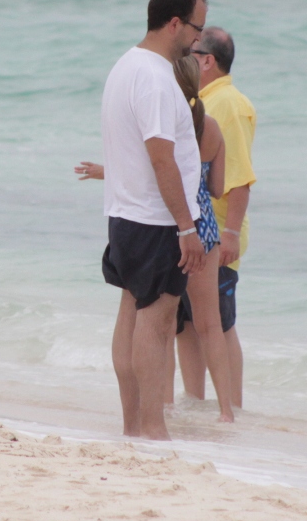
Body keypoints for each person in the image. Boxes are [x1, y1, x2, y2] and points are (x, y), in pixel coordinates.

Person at [74, 52, 235, 423]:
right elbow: (217, 186)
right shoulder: (210, 126)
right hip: (203, 225)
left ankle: (161, 404)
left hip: (168, 220)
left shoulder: (168, 118)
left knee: (161, 321)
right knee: (208, 324)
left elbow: (153, 167)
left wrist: (107, 171)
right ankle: (226, 411)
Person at [97, 0, 209, 440]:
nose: (198, 41)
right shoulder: (158, 78)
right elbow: (162, 157)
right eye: (196, 27)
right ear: (175, 23)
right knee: (157, 320)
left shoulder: (126, 65)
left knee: (131, 314)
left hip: (125, 214)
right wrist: (186, 225)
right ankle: (151, 426)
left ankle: (133, 426)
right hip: (154, 218)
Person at [180, 27, 254, 408]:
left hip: (216, 233)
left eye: (191, 52)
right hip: (194, 229)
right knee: (188, 325)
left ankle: (233, 409)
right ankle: (194, 403)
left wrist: (229, 233)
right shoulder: (201, 100)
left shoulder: (228, 104)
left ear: (207, 60)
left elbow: (240, 177)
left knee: (220, 326)